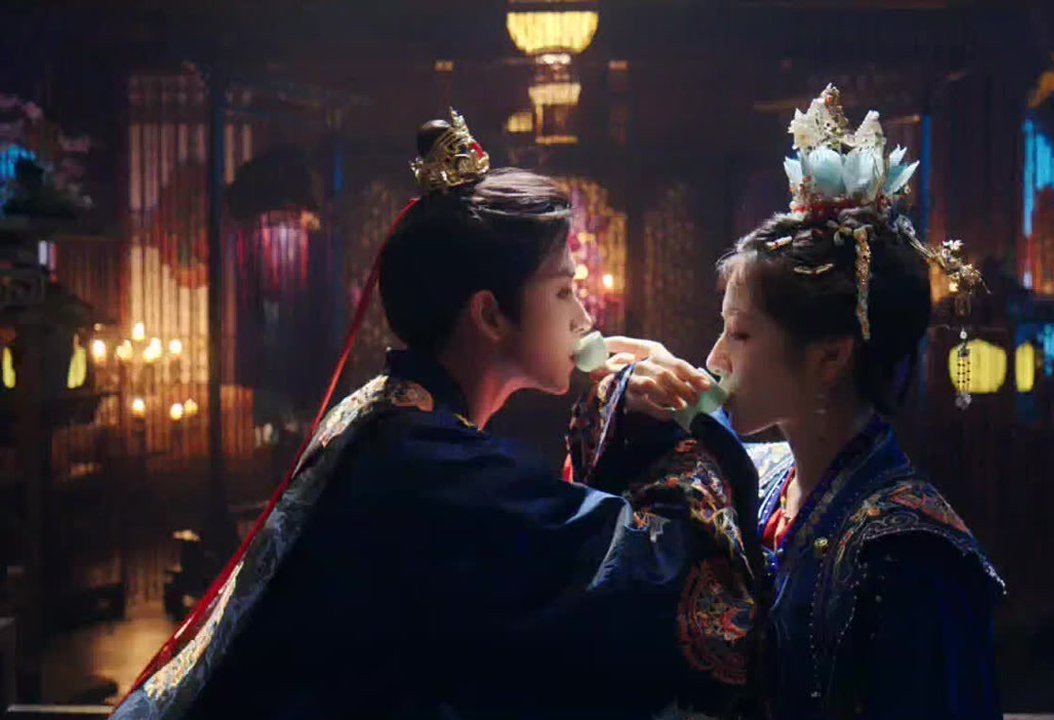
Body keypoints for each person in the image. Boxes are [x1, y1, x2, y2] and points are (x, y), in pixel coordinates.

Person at [112, 112, 759, 720]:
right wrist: (685, 420)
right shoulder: (431, 464)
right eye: (563, 290)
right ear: (489, 314)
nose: (583, 316)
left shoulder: (395, 416)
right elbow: (659, 594)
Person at [705, 85, 1004, 718]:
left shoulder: (908, 554)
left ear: (831, 357)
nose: (715, 359)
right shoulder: (766, 478)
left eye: (740, 335)